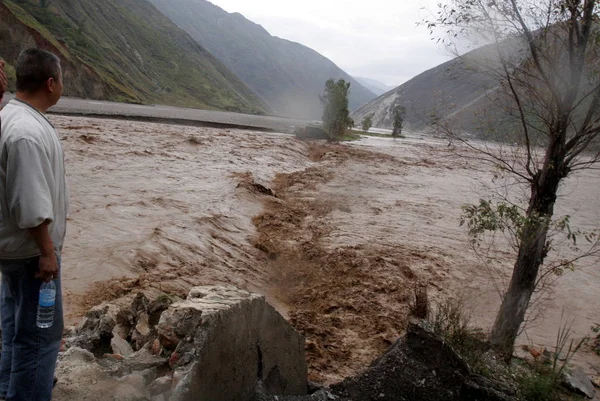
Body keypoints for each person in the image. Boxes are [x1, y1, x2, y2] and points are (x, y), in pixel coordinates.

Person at [0, 48, 68, 401]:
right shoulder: (26, 131)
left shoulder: (11, 116)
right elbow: (29, 203)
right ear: (50, 82)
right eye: (61, 81)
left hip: (13, 251)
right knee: (40, 339)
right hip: (31, 256)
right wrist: (47, 252)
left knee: (15, 330)